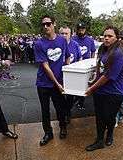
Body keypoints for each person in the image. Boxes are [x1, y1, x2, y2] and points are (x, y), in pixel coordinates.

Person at [85, 26, 123, 151]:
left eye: (110, 36)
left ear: (117, 38)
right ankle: (99, 140)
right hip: (101, 91)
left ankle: (109, 135)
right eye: (105, 35)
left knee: (109, 117)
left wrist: (92, 88)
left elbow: (108, 76)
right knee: (99, 117)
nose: (106, 38)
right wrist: (93, 81)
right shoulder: (103, 49)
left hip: (115, 92)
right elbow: (100, 71)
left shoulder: (118, 53)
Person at [33, 15, 70, 146]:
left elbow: (67, 58)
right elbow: (46, 66)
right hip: (44, 83)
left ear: (54, 24)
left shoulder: (62, 41)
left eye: (48, 24)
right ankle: (48, 133)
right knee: (45, 110)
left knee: (60, 108)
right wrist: (57, 83)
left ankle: (63, 127)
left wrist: (67, 77)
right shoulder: (39, 44)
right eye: (43, 24)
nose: (45, 27)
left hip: (59, 82)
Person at [59, 26, 82, 124]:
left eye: (66, 33)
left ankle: (67, 113)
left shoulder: (75, 45)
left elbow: (79, 59)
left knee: (70, 97)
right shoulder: (57, 44)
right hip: (59, 75)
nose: (64, 35)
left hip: (72, 76)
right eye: (62, 33)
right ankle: (62, 114)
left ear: (71, 34)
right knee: (60, 97)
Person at [72, 22, 96, 110]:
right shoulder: (73, 39)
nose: (81, 31)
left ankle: (81, 102)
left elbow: (93, 51)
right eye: (79, 29)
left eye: (82, 29)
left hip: (86, 65)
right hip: (75, 64)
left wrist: (92, 61)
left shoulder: (90, 40)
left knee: (84, 84)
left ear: (85, 30)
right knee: (74, 83)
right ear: (77, 29)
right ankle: (74, 99)